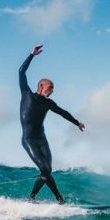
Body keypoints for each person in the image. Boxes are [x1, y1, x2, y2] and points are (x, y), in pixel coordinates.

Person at [18, 44, 85, 203]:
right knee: (45, 170)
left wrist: (76, 123)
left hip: (42, 140)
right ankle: (60, 199)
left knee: (47, 170)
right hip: (29, 140)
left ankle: (31, 198)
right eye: (50, 88)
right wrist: (31, 55)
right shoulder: (27, 94)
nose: (52, 91)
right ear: (41, 87)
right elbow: (21, 72)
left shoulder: (49, 103)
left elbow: (63, 112)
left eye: (53, 89)